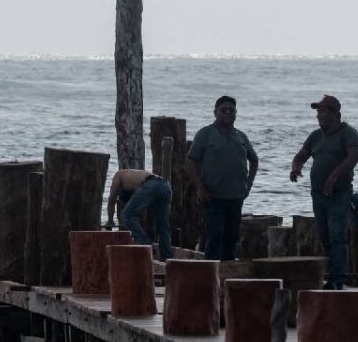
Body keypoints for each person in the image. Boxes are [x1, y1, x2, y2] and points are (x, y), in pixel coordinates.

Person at [290, 95, 358, 290]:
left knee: (337, 236)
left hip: (339, 194)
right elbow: (301, 155)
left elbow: (354, 157)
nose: (319, 116)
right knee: (324, 236)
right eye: (318, 112)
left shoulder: (348, 133)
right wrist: (296, 167)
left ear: (336, 114)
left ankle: (340, 278)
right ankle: (331, 276)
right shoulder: (315, 136)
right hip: (318, 194)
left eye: (323, 112)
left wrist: (334, 176)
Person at [186, 96, 258, 261]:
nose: (227, 113)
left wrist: (249, 184)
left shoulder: (240, 136)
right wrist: (200, 188)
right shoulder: (205, 134)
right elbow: (191, 160)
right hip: (213, 197)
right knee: (214, 236)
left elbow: (254, 159)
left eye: (231, 110)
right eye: (223, 110)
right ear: (215, 112)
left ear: (236, 113)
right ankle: (209, 274)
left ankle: (228, 272)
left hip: (236, 195)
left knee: (232, 237)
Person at [104, 169, 173, 260]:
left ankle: (146, 244)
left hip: (151, 185)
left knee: (126, 214)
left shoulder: (119, 174)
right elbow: (142, 214)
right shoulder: (135, 179)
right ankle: (167, 258)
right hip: (165, 186)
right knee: (163, 226)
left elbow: (112, 199)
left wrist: (110, 220)